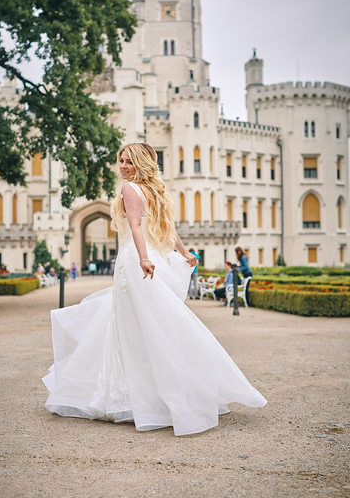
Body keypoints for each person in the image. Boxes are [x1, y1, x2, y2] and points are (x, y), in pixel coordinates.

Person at [43, 143, 266, 436]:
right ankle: (161, 392)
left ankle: (139, 397)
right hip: (147, 258)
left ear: (141, 165)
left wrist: (145, 258)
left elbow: (136, 226)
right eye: (120, 160)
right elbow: (168, 229)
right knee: (152, 323)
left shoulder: (130, 191)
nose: (122, 166)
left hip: (135, 261)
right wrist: (184, 253)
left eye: (129, 162)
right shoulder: (155, 192)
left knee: (137, 327)